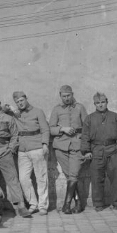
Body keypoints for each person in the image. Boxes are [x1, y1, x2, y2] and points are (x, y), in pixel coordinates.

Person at [0, 94, 31, 217]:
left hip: (4, 150)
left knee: (12, 179)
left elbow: (15, 135)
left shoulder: (8, 118)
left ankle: (21, 206)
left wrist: (11, 149)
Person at [80, 92, 117, 211]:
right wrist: (86, 151)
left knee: (115, 178)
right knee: (96, 178)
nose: (100, 105)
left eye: (102, 102)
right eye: (98, 103)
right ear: (94, 104)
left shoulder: (115, 116)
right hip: (96, 150)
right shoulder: (89, 118)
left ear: (107, 102)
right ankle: (98, 204)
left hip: (112, 149)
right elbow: (85, 135)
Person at [6, 91, 50, 216]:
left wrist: (45, 144)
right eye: (17, 102)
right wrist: (9, 108)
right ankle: (33, 203)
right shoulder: (15, 114)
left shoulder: (38, 111)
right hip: (22, 150)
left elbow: (45, 129)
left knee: (41, 178)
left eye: (21, 100)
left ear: (26, 99)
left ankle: (43, 206)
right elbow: (2, 111)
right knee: (23, 179)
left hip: (37, 147)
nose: (20, 103)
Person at [49, 85, 88, 214]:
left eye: (68, 96)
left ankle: (66, 205)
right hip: (61, 146)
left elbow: (87, 127)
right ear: (60, 96)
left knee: (73, 175)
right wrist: (62, 129)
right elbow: (50, 129)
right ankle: (78, 203)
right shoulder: (56, 109)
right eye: (64, 96)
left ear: (72, 94)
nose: (66, 98)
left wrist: (85, 143)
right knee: (70, 176)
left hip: (77, 145)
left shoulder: (80, 107)